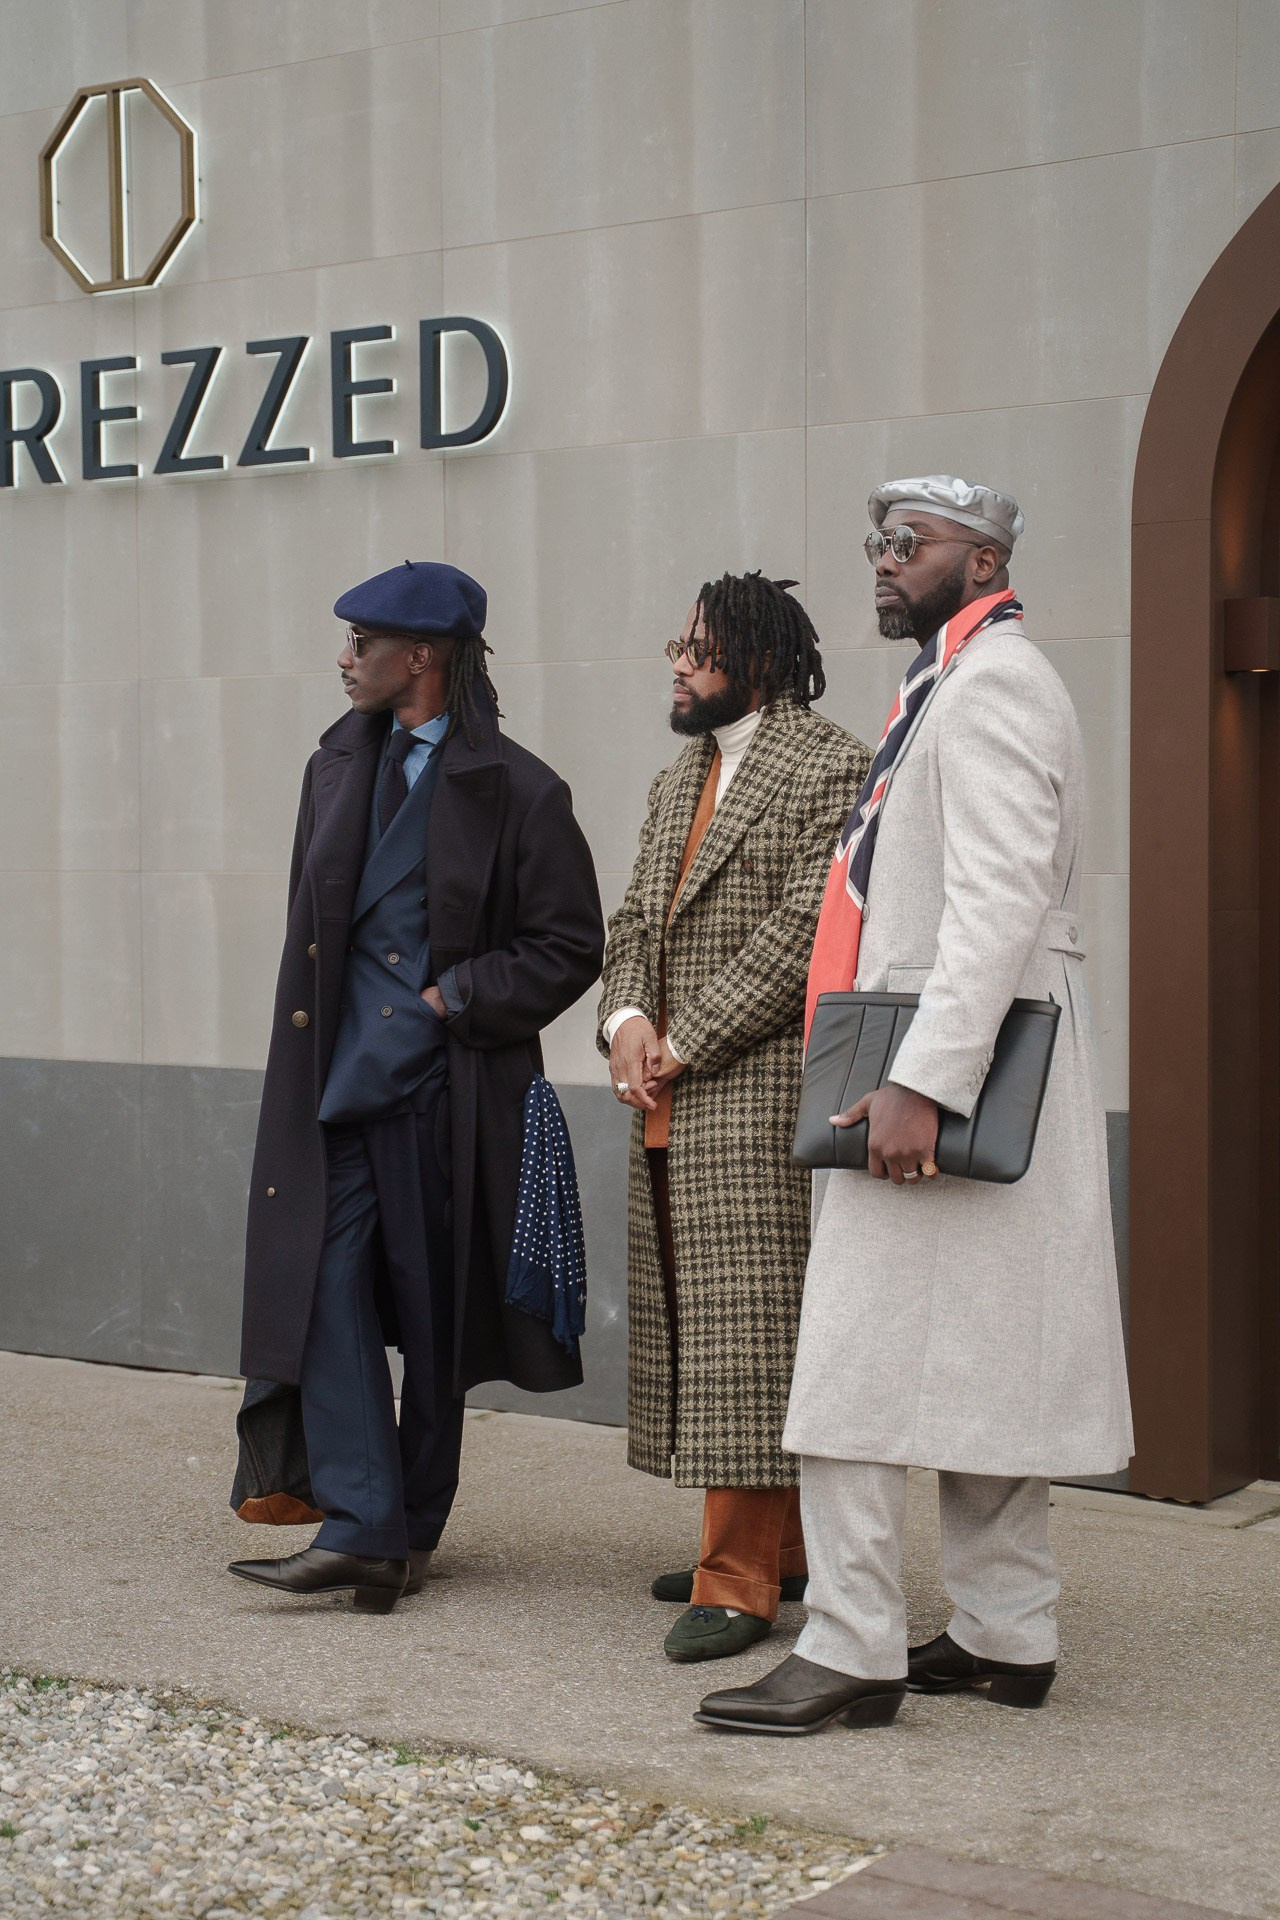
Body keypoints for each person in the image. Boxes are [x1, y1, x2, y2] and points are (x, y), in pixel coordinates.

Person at [696, 476, 1132, 1734]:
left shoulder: (990, 682)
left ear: (983, 555)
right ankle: (1006, 1637)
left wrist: (917, 1086)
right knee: (983, 1364)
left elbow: (995, 903)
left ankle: (849, 1650)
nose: (882, 562)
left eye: (911, 544)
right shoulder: (952, 680)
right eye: (875, 544)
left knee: (845, 1373)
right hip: (965, 1063)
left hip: (939, 1072)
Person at [227, 561, 604, 1613]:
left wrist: (453, 1000)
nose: (343, 659)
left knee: (436, 1324)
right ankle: (361, 1520)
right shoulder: (335, 764)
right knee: (318, 1291)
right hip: (334, 1083)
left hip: (449, 1092)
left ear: (422, 657)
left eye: (362, 642)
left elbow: (570, 943)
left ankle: (406, 1530)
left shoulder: (520, 787)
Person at [599, 571, 870, 1664]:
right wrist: (621, 1018)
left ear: (756, 661)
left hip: (755, 1098)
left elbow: (808, 930)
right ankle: (785, 1545)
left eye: (697, 647)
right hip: (667, 1095)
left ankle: (740, 1578)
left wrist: (682, 1039)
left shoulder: (832, 764)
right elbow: (631, 915)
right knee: (699, 1332)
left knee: (746, 1340)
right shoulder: (683, 771)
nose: (677, 660)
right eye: (677, 641)